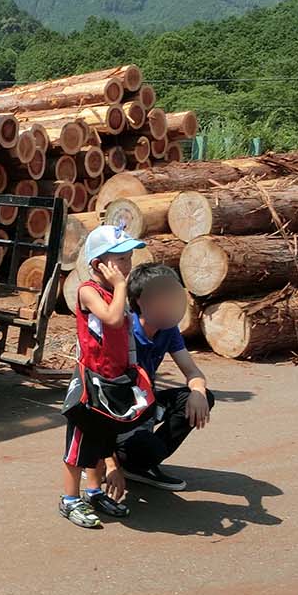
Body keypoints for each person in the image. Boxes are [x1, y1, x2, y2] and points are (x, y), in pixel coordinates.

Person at [59, 225, 147, 529]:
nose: (128, 265)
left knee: (102, 441)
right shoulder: (88, 291)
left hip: (114, 380)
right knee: (79, 445)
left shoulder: (115, 292)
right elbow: (110, 319)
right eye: (121, 259)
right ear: (99, 264)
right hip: (90, 383)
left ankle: (94, 492)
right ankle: (69, 499)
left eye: (129, 258)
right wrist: (121, 286)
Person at [116, 262, 214, 491]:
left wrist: (198, 392)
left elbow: (193, 372)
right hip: (119, 409)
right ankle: (114, 459)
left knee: (203, 397)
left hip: (146, 403)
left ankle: (140, 463)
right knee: (149, 448)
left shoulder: (167, 329)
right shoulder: (123, 330)